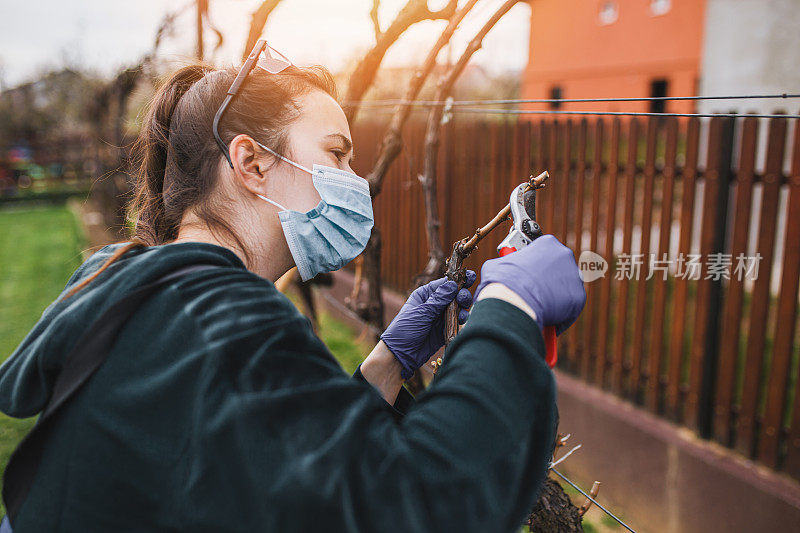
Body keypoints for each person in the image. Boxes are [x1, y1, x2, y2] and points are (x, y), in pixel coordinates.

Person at [0, 43, 585, 532]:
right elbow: (420, 506)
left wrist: (387, 362)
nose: (356, 183)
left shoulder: (141, 288)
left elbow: (300, 477)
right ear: (251, 163)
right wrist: (512, 306)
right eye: (336, 155)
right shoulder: (218, 319)